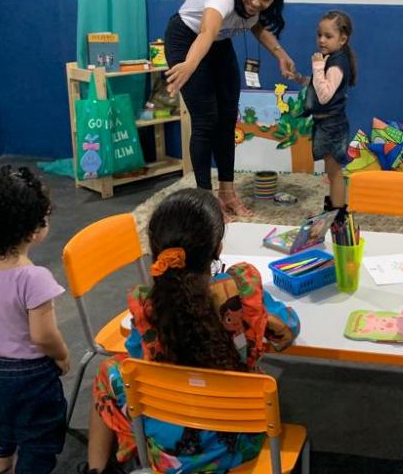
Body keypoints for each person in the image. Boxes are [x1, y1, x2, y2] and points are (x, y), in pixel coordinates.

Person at [80, 189, 300, 474]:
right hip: (238, 441)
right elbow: (290, 329)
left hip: (166, 450)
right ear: (217, 248)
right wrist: (264, 321)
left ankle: (94, 470)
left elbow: (137, 354)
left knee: (108, 371)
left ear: (157, 249)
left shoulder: (146, 305)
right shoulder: (244, 289)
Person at [0, 166, 70, 474]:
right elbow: (43, 335)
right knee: (39, 440)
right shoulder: (34, 279)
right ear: (34, 229)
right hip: (28, 378)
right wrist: (61, 355)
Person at [164, 0, 297, 220]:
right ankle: (205, 201)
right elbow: (207, 30)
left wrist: (280, 54)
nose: (256, 2)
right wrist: (190, 64)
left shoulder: (255, 7)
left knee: (227, 120)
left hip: (218, 44)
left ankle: (227, 193)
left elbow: (257, 26)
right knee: (206, 121)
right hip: (187, 40)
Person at [301, 10, 357, 212]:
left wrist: (317, 66)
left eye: (328, 36)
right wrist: (299, 78)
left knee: (335, 173)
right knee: (332, 172)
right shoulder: (331, 58)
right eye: (319, 35)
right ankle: (333, 208)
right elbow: (318, 87)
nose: (322, 40)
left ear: (343, 39)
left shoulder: (336, 64)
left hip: (332, 126)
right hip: (325, 123)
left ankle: (338, 212)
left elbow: (324, 96)